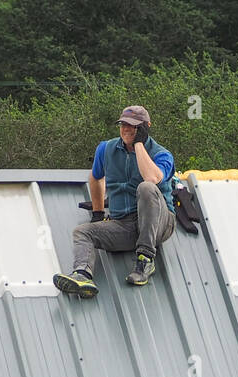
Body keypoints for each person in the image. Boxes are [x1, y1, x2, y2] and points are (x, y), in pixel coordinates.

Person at [54, 105, 177, 298]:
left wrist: (138, 145)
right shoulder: (106, 148)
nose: (126, 129)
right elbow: (95, 178)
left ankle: (145, 259)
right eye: (123, 124)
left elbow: (152, 179)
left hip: (160, 223)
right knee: (83, 232)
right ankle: (83, 275)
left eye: (133, 126)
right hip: (125, 225)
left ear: (145, 128)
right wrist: (97, 214)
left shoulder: (162, 155)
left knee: (145, 187)